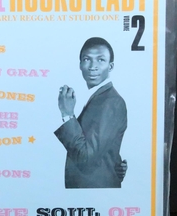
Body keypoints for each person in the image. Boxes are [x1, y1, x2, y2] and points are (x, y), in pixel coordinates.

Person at [54, 37, 127, 188]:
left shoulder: (111, 102)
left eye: (101, 60)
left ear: (110, 66)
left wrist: (67, 114)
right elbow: (103, 146)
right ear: (80, 64)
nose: (93, 67)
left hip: (95, 191)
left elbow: (86, 159)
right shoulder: (97, 96)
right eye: (87, 59)